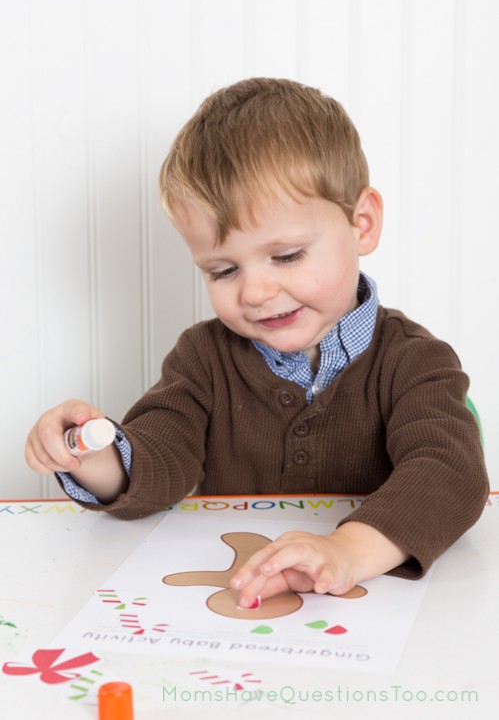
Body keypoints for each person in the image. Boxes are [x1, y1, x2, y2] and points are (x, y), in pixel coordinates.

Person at [25, 77, 489, 609]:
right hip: (241, 599)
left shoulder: (416, 363)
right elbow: (161, 454)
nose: (256, 291)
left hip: (378, 604)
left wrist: (346, 550)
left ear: (361, 224)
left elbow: (450, 473)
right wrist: (91, 455)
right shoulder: (203, 359)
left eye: (287, 256)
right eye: (223, 270)